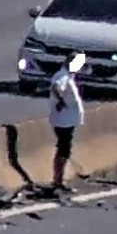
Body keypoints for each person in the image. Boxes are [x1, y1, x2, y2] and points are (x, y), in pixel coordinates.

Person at [48, 54, 86, 194]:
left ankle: (59, 180)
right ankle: (58, 181)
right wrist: (61, 101)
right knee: (63, 150)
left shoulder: (68, 76)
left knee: (65, 149)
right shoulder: (62, 76)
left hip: (67, 121)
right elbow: (55, 87)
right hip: (63, 121)